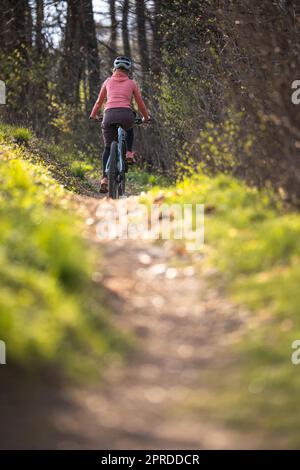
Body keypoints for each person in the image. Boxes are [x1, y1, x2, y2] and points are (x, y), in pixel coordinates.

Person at [89, 56, 150, 193]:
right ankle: (128, 153)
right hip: (126, 114)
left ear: (114, 68)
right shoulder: (132, 83)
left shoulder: (107, 81)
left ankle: (104, 178)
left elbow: (99, 102)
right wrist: (146, 117)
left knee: (107, 147)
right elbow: (140, 104)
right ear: (128, 70)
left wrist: (93, 115)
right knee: (129, 128)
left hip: (108, 115)